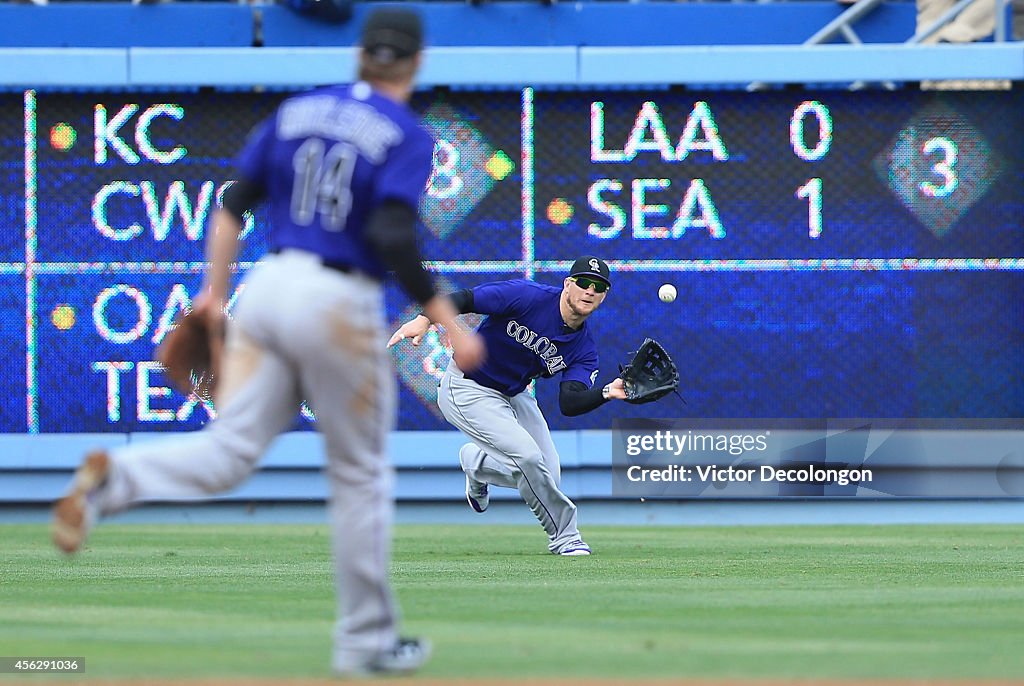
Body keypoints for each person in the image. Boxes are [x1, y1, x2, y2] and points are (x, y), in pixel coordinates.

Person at [51, 7, 485, 677]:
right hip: (338, 299)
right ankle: (365, 644)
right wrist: (449, 321)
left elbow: (231, 203)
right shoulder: (405, 133)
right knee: (361, 474)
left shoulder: (297, 112)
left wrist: (212, 294)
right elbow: (396, 235)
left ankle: (115, 481)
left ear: (360, 56)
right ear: (416, 63)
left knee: (230, 451)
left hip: (269, 285)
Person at [388, 256, 627, 556]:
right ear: (568, 284)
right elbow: (465, 299)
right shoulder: (527, 296)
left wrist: (608, 391)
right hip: (467, 387)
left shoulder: (584, 349)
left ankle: (477, 464)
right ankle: (566, 537)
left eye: (598, 287)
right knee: (528, 459)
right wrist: (424, 319)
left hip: (513, 395)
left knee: (547, 476)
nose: (589, 291)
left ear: (603, 296)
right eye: (583, 283)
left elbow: (570, 401)